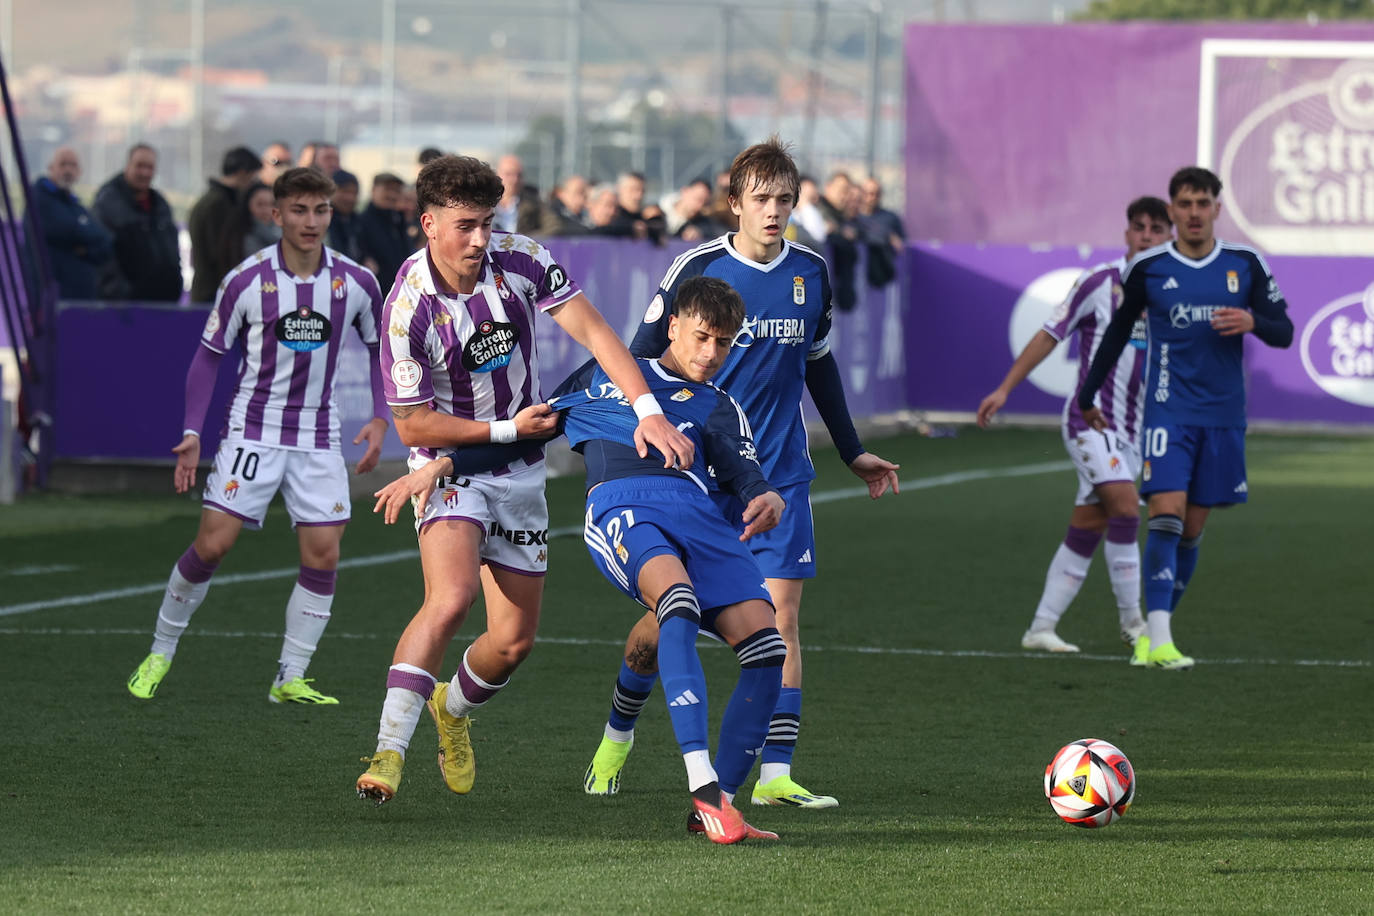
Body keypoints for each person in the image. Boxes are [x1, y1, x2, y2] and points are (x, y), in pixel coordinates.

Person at [354, 154, 693, 806]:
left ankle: (450, 711)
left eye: (487, 223)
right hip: (452, 466)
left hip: (521, 472)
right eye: (464, 226)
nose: (480, 239)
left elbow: (595, 330)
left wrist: (646, 410)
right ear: (428, 224)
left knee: (512, 642)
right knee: (450, 599)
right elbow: (416, 427)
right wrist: (508, 430)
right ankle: (389, 751)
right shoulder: (407, 309)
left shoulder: (522, 258)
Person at [582, 137, 900, 809]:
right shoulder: (696, 266)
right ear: (734, 203)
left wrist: (850, 449)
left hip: (777, 475)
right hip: (695, 481)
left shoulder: (811, 271)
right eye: (761, 199)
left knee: (780, 620)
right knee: (666, 620)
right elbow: (635, 363)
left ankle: (774, 773)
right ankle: (618, 732)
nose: (774, 211)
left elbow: (819, 363)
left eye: (785, 199)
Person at [125, 167, 390, 703]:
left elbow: (384, 350)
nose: (311, 222)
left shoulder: (355, 283)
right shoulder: (246, 281)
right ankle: (160, 650)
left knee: (323, 555)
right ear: (277, 215)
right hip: (253, 434)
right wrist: (192, 431)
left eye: (321, 211)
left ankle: (289, 677)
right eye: (299, 211)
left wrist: (382, 416)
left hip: (318, 438)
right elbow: (207, 358)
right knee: (212, 545)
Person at [1075, 166, 1293, 670]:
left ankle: (1154, 632)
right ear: (1172, 211)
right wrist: (1089, 393)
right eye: (1185, 203)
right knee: (1166, 514)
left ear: (1217, 207)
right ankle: (1162, 643)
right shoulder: (1148, 269)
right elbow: (1115, 334)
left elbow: (1284, 331)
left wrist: (1253, 320)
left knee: (1192, 530)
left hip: (1223, 417)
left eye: (1203, 202)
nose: (1194, 212)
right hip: (1168, 412)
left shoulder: (1246, 264)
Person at [976, 197, 1172, 656]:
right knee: (1125, 509)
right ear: (1126, 233)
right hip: (1089, 420)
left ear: (1168, 237)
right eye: (1139, 227)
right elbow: (1051, 332)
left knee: (1089, 525)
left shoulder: (1172, 293)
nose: (1146, 235)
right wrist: (1005, 388)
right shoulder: (1100, 283)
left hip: (1134, 431)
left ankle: (1041, 628)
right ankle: (1135, 626)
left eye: (1156, 229)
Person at [92, 143, 182, 301]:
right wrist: (121, 294)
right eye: (140, 166)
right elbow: (103, 255)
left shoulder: (160, 204)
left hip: (163, 304)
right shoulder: (108, 202)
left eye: (150, 167)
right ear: (128, 166)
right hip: (125, 310)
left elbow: (172, 251)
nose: (145, 172)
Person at [32, 146, 112, 299]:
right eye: (63, 164)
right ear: (51, 168)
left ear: (79, 171)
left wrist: (84, 248)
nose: (68, 170)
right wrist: (86, 240)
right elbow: (66, 229)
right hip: (54, 300)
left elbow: (105, 243)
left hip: (79, 301)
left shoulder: (75, 205)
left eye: (73, 165)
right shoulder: (40, 199)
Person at [189, 146, 264, 302]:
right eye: (253, 176)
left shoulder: (217, 200)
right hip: (213, 292)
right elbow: (220, 253)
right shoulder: (218, 204)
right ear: (243, 172)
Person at [357, 172, 411, 298]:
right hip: (374, 293)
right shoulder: (361, 222)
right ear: (374, 190)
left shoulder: (398, 220)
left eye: (396, 190)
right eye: (387, 189)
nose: (392, 195)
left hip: (400, 293)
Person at [857, 177, 907, 289]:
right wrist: (884, 236)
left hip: (883, 279)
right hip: (858, 278)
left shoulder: (890, 218)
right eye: (868, 193)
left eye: (876, 194)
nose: (872, 197)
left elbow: (902, 244)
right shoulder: (853, 218)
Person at [494, 154, 546, 235]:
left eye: (519, 175)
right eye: (508, 174)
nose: (515, 180)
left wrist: (526, 240)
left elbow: (554, 226)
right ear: (497, 175)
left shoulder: (534, 203)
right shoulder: (485, 203)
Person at [327, 169, 364, 262]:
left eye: (354, 193)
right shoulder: (323, 221)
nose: (350, 198)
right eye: (345, 191)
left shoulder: (358, 221)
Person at [241, 182, 282, 255]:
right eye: (260, 204)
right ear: (247, 206)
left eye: (272, 204)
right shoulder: (242, 240)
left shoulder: (283, 232)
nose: (267, 211)